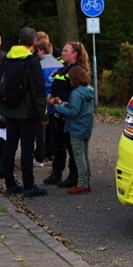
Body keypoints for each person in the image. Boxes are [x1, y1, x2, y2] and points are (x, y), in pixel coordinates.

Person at [0, 27, 48, 197]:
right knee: (27, 149)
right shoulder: (32, 62)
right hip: (27, 112)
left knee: (10, 147)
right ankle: (29, 186)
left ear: (19, 42)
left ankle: (10, 184)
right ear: (34, 43)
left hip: (9, 111)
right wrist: (43, 115)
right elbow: (38, 91)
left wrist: (3, 108)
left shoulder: (6, 59)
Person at [44, 41, 90, 189]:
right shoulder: (65, 68)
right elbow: (57, 84)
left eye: (66, 51)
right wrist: (51, 93)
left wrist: (57, 100)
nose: (62, 53)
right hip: (58, 111)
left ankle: (74, 176)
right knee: (57, 144)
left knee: (72, 147)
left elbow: (75, 92)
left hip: (67, 112)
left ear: (75, 54)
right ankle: (56, 173)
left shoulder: (77, 70)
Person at [51, 65, 94, 194]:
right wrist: (67, 104)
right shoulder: (88, 90)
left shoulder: (75, 93)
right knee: (85, 155)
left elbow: (74, 112)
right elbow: (80, 108)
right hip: (85, 127)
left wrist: (58, 106)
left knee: (78, 156)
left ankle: (81, 184)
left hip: (76, 127)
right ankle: (86, 180)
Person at [34, 40, 62, 166]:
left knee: (41, 130)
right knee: (54, 129)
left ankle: (40, 156)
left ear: (42, 51)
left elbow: (37, 86)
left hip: (43, 102)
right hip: (56, 102)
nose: (37, 54)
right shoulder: (60, 66)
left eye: (38, 51)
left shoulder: (39, 66)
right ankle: (53, 154)